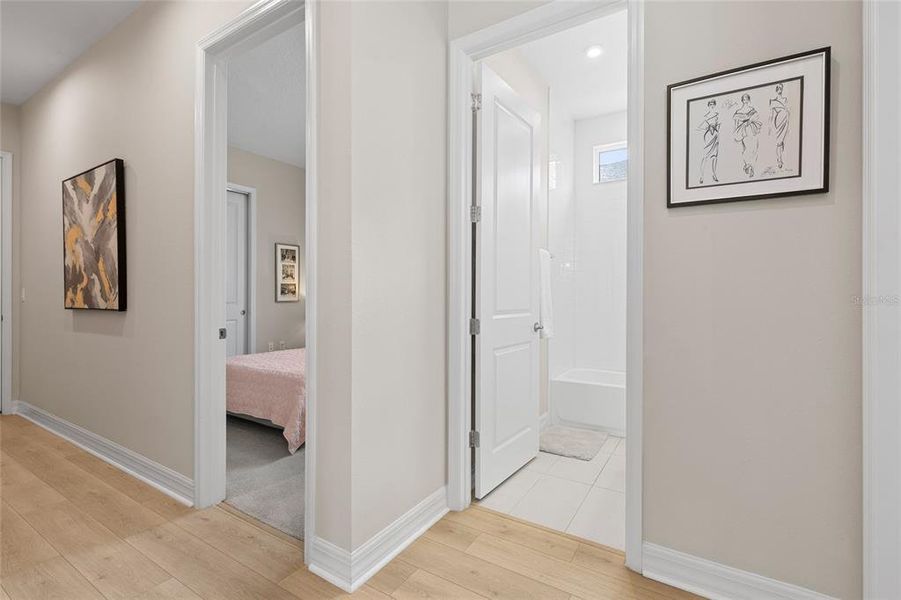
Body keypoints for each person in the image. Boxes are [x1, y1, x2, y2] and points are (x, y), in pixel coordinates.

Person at [733, 92, 762, 178]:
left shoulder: (752, 109)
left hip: (752, 130)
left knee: (754, 148)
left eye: (747, 98)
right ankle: (747, 164)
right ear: (742, 100)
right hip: (744, 131)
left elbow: (756, 117)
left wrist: (750, 121)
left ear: (749, 100)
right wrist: (736, 133)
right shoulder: (738, 112)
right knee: (746, 148)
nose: (745, 100)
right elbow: (735, 124)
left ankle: (751, 166)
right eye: (744, 98)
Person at [696, 99, 720, 184]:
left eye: (713, 104)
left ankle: (714, 174)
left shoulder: (717, 115)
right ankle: (701, 176)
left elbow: (720, 125)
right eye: (710, 104)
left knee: (714, 156)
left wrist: (716, 130)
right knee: (705, 156)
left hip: (715, 136)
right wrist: (707, 127)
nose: (712, 105)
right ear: (708, 105)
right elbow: (699, 127)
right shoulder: (706, 116)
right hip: (708, 136)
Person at [769, 83, 789, 169]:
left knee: (781, 141)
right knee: (778, 142)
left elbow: (788, 110)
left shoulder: (785, 99)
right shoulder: (773, 101)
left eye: (781, 88)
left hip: (785, 120)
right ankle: (779, 159)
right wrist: (770, 126)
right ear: (776, 90)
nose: (780, 90)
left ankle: (780, 158)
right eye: (778, 88)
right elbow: (772, 115)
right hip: (778, 121)